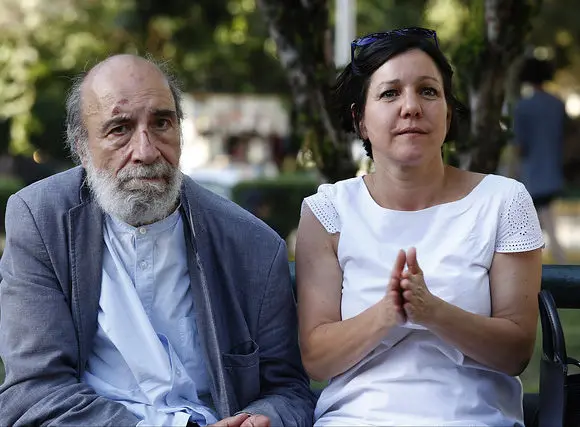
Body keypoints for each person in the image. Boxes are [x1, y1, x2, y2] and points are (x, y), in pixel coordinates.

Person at [0, 54, 315, 426]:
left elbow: (288, 390)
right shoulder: (41, 220)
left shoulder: (253, 245)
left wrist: (260, 418)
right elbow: (35, 389)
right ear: (82, 148)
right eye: (119, 129)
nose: (146, 151)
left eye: (162, 123)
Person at [295, 28, 544, 426]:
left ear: (448, 113)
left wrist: (432, 312)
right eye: (389, 93)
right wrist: (387, 313)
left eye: (428, 91)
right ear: (360, 120)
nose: (411, 107)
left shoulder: (503, 201)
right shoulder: (328, 211)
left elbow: (516, 353)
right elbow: (316, 359)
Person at [512, 57, 567, 264]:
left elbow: (519, 146)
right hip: (553, 172)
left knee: (534, 229)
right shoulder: (557, 104)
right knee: (547, 224)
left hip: (531, 175)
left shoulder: (523, 107)